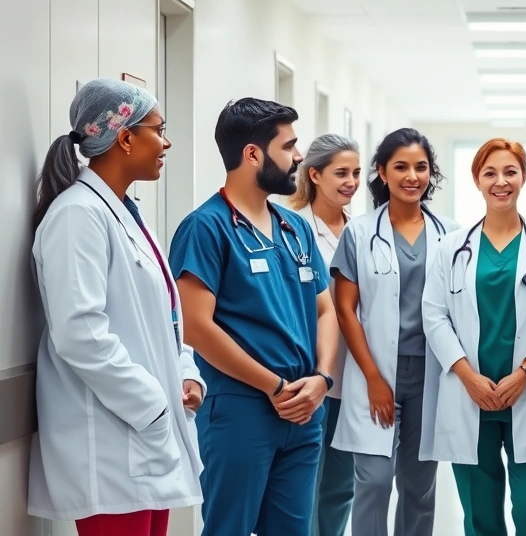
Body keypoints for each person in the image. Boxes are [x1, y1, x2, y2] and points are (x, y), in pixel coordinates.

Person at [27, 78, 204, 536]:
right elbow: (79, 332)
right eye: (159, 130)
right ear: (125, 137)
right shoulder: (77, 214)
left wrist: (186, 373)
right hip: (112, 438)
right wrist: (152, 404)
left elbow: (163, 315)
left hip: (144, 433)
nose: (165, 143)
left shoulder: (126, 212)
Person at [169, 98, 338, 536]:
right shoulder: (205, 228)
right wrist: (275, 386)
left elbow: (326, 309)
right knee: (229, 529)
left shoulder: (295, 228)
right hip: (242, 410)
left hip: (303, 410)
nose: (299, 157)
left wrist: (321, 378)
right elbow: (196, 326)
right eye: (290, 146)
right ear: (252, 154)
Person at [421, 137, 526, 536]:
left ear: (524, 177)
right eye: (490, 173)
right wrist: (467, 376)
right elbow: (434, 314)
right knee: (480, 514)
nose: (500, 181)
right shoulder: (453, 247)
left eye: (510, 172)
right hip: (472, 395)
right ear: (477, 180)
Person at [330, 127, 458, 536]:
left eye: (421, 167)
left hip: (431, 373)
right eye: (400, 167)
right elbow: (346, 310)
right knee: (375, 480)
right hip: (376, 370)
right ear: (382, 173)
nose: (412, 176)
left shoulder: (451, 235)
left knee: (420, 486)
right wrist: (372, 378)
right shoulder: (359, 232)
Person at [288, 134, 361, 536]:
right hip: (313, 374)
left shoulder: (365, 230)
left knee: (341, 484)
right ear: (314, 174)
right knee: (305, 483)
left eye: (355, 173)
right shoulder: (293, 229)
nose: (350, 182)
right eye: (340, 173)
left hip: (357, 375)